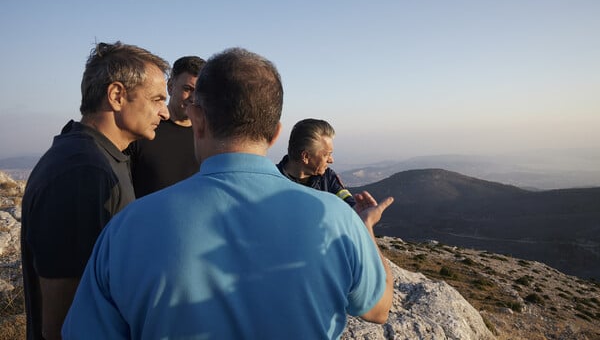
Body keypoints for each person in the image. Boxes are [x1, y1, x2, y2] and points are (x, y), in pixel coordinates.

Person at [62, 47, 394, 340]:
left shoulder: (126, 229)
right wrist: (366, 230)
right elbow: (378, 310)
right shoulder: (337, 220)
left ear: (198, 119)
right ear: (276, 133)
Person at [21, 41, 170, 340]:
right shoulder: (82, 172)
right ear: (117, 95)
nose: (165, 112)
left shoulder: (98, 157)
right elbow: (63, 321)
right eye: (156, 99)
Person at [127, 55, 206, 197]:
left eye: (199, 92)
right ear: (170, 87)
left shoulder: (209, 136)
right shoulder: (144, 130)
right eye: (187, 89)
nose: (193, 98)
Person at [277, 118, 356, 207]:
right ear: (306, 157)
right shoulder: (273, 182)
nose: (331, 160)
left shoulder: (328, 177)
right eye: (326, 155)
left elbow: (349, 205)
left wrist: (358, 211)